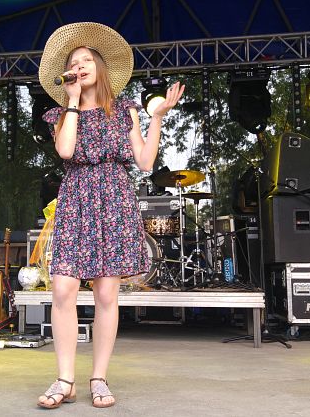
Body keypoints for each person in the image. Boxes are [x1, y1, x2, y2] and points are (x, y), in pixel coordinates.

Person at [35, 22, 184, 409]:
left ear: (100, 67)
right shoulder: (59, 114)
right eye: (73, 62)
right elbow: (66, 152)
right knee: (63, 289)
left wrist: (158, 117)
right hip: (76, 199)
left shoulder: (125, 110)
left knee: (106, 293)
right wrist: (71, 101)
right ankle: (65, 379)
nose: (80, 66)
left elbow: (145, 161)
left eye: (86, 60)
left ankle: (98, 377)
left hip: (114, 199)